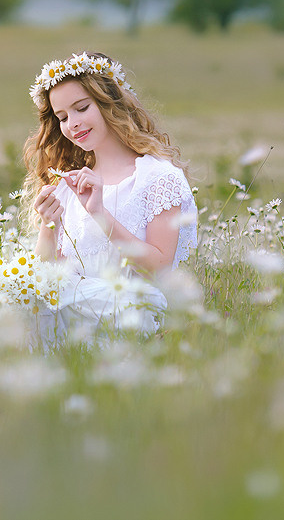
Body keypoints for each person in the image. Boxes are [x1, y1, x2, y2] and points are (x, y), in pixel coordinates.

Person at [23, 51, 196, 345]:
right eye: (62, 117)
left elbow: (159, 265)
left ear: (108, 102)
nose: (72, 124)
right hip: (73, 311)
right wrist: (47, 226)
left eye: (81, 108)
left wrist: (100, 214)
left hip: (130, 313)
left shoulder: (156, 177)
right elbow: (47, 273)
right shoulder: (70, 183)